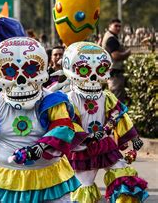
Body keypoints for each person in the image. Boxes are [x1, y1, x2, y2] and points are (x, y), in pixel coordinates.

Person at [0, 37, 80, 202]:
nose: (21, 80)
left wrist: (39, 147)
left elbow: (63, 128)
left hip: (50, 176)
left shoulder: (52, 101)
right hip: (8, 181)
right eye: (10, 72)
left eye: (30, 69)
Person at [63, 42, 148, 202]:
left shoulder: (106, 96)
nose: (93, 77)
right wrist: (87, 137)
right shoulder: (70, 99)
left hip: (105, 145)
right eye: (84, 70)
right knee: (84, 186)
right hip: (83, 149)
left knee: (123, 173)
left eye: (100, 70)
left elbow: (120, 116)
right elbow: (67, 123)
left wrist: (133, 137)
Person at [101, 19, 131, 102]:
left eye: (119, 26)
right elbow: (116, 56)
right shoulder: (111, 39)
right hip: (115, 75)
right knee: (117, 102)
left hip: (111, 73)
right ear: (110, 26)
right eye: (116, 26)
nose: (118, 28)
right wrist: (127, 53)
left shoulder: (110, 36)